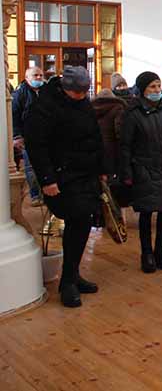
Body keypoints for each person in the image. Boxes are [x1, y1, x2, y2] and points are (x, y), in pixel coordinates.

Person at [24, 66, 105, 308]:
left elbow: (95, 137)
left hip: (86, 173)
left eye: (84, 92)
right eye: (77, 92)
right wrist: (47, 180)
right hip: (62, 176)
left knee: (82, 223)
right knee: (76, 220)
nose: (81, 96)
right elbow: (37, 146)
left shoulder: (83, 103)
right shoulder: (45, 106)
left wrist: (101, 168)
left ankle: (72, 275)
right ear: (65, 88)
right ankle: (67, 282)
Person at [120, 72, 162, 273]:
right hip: (145, 168)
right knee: (147, 212)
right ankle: (147, 254)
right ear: (142, 90)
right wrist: (127, 172)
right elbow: (125, 145)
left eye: (158, 86)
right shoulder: (133, 114)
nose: (157, 90)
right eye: (152, 87)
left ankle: (161, 252)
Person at [12, 66, 44, 205]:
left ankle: (46, 193)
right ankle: (35, 195)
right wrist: (17, 136)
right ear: (27, 78)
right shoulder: (19, 94)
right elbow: (14, 116)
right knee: (31, 167)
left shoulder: (46, 91)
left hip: (46, 136)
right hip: (28, 136)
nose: (39, 78)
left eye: (40, 75)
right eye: (35, 75)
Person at [91, 89, 127, 180]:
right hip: (113, 149)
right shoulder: (118, 107)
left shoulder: (90, 108)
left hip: (95, 149)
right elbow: (119, 131)